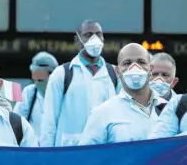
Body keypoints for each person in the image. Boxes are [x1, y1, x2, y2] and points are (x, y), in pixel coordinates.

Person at [40, 19, 121, 147]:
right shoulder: (62, 74)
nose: (95, 39)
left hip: (104, 151)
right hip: (70, 151)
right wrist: (47, 157)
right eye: (88, 35)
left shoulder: (115, 74)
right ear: (77, 41)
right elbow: (49, 120)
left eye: (98, 34)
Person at [79, 43, 166, 145]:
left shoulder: (170, 109)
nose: (135, 68)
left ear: (150, 69)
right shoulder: (102, 114)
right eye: (127, 63)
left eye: (141, 62)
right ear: (118, 71)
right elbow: (85, 157)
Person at [13, 51, 59, 139]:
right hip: (33, 149)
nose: (37, 82)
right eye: (35, 77)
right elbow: (16, 123)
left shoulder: (63, 95)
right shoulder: (29, 92)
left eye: (41, 78)